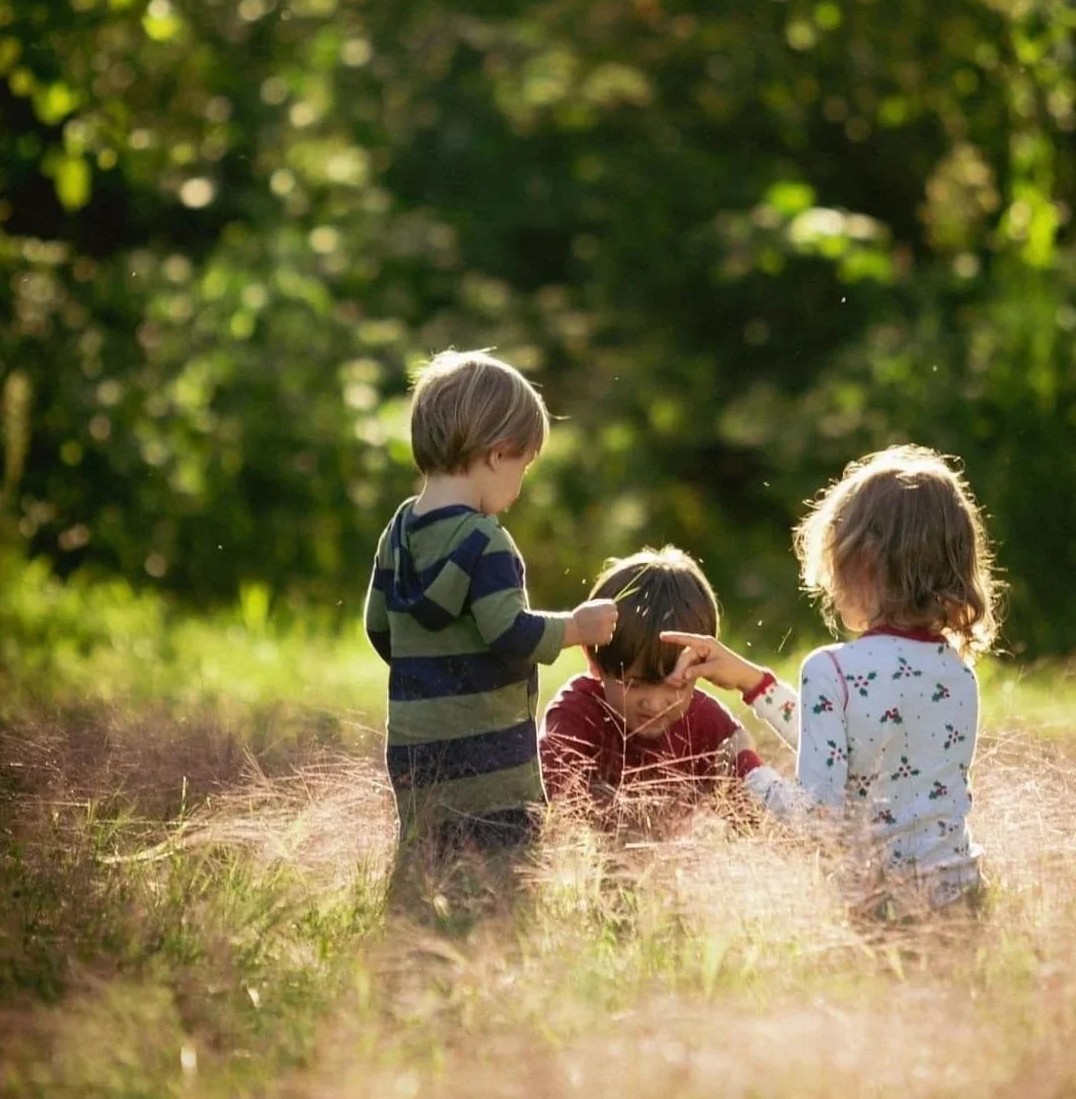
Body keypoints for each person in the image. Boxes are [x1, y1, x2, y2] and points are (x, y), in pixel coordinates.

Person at [663, 444, 998, 908]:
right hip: (962, 901)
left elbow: (816, 818)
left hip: (882, 914)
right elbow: (860, 747)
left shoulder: (832, 670)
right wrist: (752, 683)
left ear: (861, 562)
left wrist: (746, 770)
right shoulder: (957, 675)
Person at [363, 348, 618, 864]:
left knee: (426, 864)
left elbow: (378, 627)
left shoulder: (399, 531)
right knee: (504, 876)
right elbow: (509, 634)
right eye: (523, 467)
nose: (520, 485)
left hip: (415, 746)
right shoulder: (486, 541)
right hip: (490, 758)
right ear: (499, 454)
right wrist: (576, 627)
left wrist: (428, 677)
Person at [539, 546, 769, 823]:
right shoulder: (576, 717)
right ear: (595, 661)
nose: (654, 703)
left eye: (676, 687)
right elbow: (555, 819)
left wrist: (741, 755)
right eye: (633, 685)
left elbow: (757, 820)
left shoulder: (709, 726)